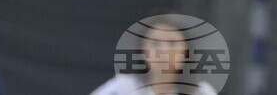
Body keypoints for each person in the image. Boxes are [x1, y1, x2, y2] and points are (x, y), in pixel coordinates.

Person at [89, 18, 218, 95]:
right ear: (143, 52)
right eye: (155, 43)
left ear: (186, 53)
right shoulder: (123, 87)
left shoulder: (202, 92)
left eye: (172, 43)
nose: (164, 51)